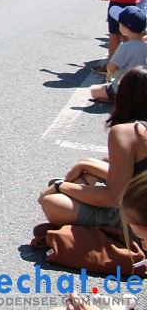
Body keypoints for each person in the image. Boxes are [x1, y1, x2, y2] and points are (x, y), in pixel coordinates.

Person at [39, 66, 147, 230]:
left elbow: (115, 197)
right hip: (140, 202)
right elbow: (135, 178)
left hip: (138, 222)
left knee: (52, 202)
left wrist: (61, 186)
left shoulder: (127, 132)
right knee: (95, 167)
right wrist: (86, 164)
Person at [89, 6, 147, 102]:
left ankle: (117, 98)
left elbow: (112, 66)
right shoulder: (145, 45)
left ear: (124, 28)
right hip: (142, 88)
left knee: (93, 91)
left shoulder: (125, 47)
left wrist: (109, 74)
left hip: (122, 87)